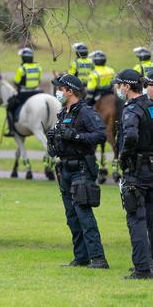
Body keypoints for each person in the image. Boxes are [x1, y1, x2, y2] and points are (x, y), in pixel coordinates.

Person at [47, 74, 109, 270]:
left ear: (69, 91)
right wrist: (53, 138)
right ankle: (81, 257)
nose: (57, 92)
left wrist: (76, 135)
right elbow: (60, 142)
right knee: (71, 215)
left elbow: (100, 135)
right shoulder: (63, 113)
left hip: (81, 169)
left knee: (84, 213)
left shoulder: (86, 113)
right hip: (64, 169)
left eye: (60, 89)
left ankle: (98, 258)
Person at [113, 69, 153, 279]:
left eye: (119, 84)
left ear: (127, 87)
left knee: (136, 218)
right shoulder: (151, 107)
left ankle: (142, 269)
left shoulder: (132, 110)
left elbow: (129, 136)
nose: (118, 88)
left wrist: (124, 156)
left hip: (137, 171)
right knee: (151, 219)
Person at [5, 47, 42, 137]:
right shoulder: (38, 67)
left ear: (23, 58)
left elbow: (16, 82)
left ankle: (11, 130)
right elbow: (39, 80)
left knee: (9, 107)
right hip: (37, 92)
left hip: (25, 93)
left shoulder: (22, 69)